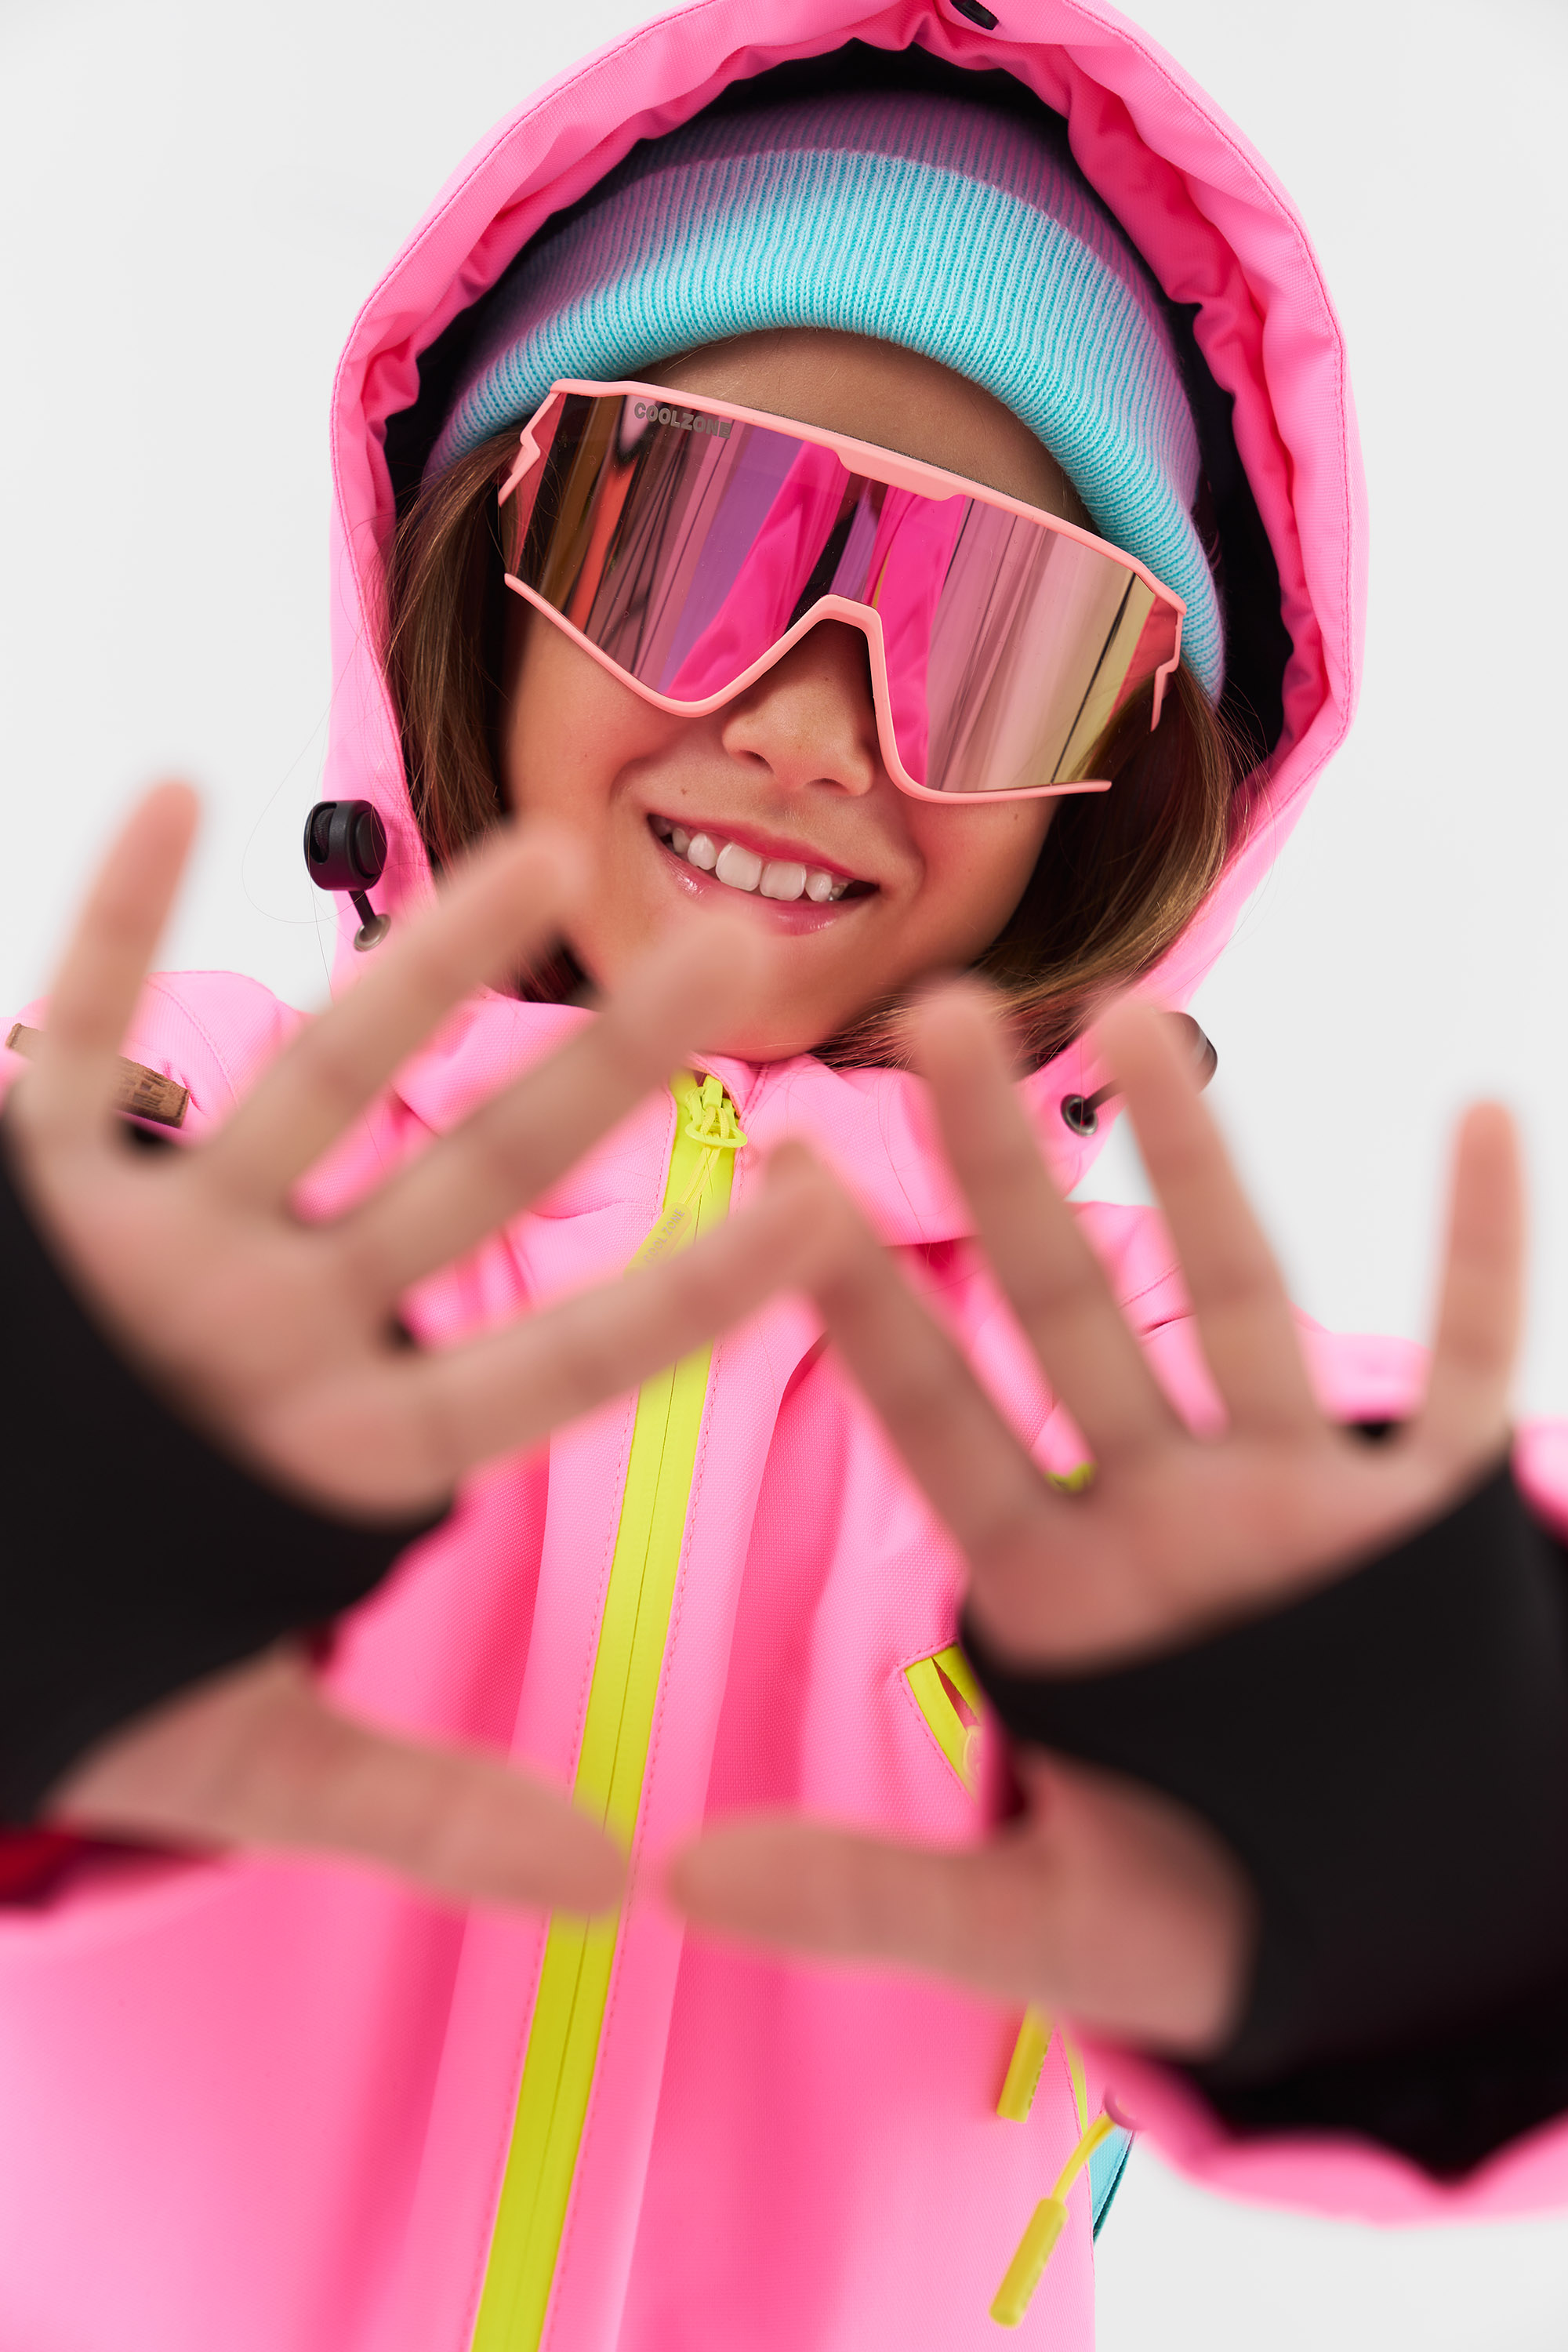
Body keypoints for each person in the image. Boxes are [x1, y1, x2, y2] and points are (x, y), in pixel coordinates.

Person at [4, 9, 1568, 2350]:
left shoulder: (1111, 1397)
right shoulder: (166, 1170)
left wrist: (1418, 1779)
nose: (819, 726)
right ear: (487, 558)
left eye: (995, 637)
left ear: (1116, 783)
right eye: (696, 535)